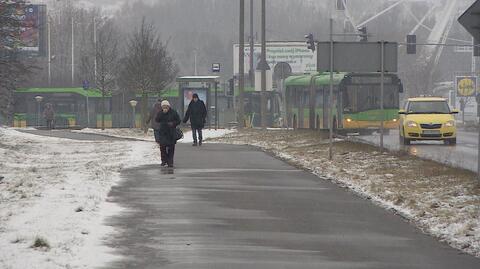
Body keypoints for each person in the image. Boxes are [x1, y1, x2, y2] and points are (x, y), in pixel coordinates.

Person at [155, 100, 181, 167]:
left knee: (171, 148)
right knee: (162, 148)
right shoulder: (160, 113)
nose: (165, 108)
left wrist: (173, 123)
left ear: (169, 106)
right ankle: (164, 161)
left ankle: (170, 162)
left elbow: (178, 120)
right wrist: (161, 114)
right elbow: (157, 120)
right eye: (163, 107)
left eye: (166, 106)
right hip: (163, 133)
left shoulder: (173, 112)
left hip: (171, 133)